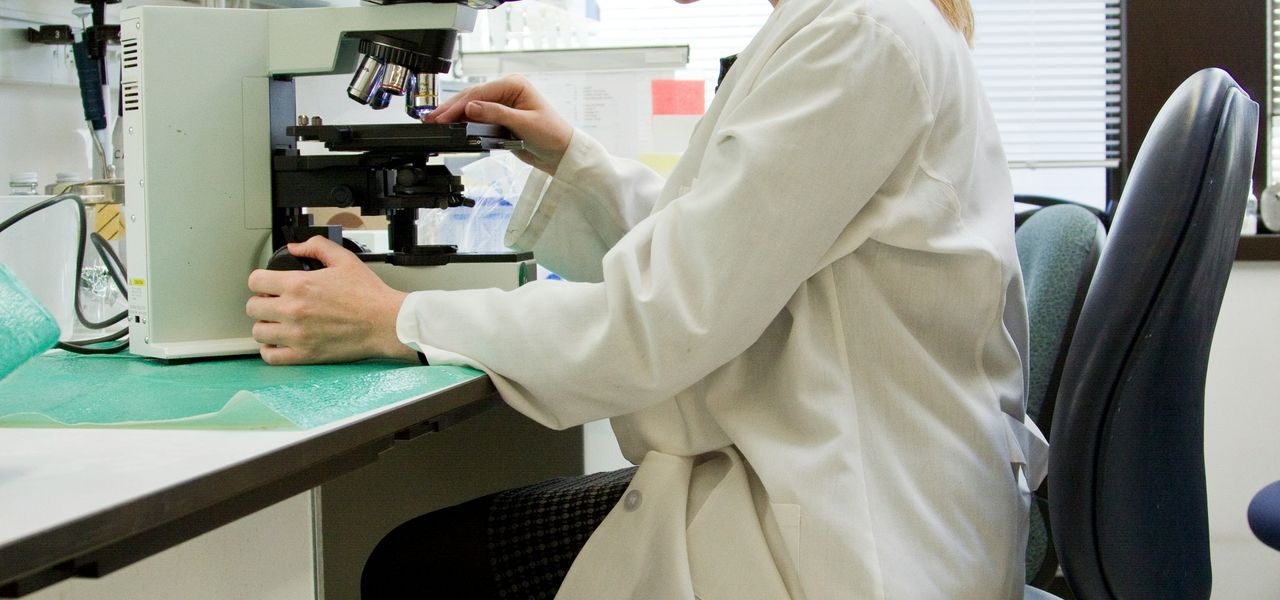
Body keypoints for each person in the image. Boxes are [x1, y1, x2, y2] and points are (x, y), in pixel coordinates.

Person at [245, 0, 1048, 596]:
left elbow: (660, 322)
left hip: (852, 536)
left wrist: (396, 319)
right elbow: (735, 256)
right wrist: (576, 162)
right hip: (844, 477)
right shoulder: (859, 25)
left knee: (418, 571)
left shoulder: (856, 35)